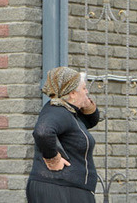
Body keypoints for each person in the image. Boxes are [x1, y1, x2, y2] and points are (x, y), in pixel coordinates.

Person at [26, 67, 100, 203]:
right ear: (72, 93)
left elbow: (91, 120)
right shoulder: (57, 111)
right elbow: (43, 132)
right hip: (58, 189)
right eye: (84, 89)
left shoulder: (69, 113)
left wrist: (86, 103)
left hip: (68, 189)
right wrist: (53, 159)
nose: (87, 92)